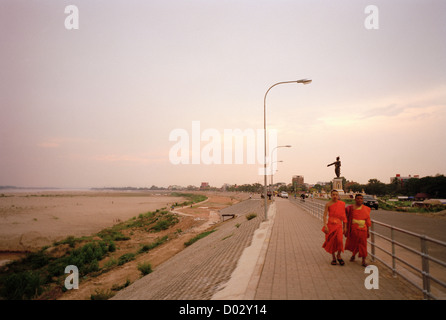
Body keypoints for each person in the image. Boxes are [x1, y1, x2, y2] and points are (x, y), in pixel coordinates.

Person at [345, 194, 372, 267]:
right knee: (355, 243)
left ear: (363, 200)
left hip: (363, 229)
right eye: (358, 198)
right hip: (354, 228)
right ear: (355, 199)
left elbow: (367, 220)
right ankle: (353, 255)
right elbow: (346, 218)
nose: (360, 200)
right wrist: (346, 228)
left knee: (363, 244)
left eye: (361, 199)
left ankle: (363, 260)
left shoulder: (366, 209)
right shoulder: (350, 208)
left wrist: (368, 231)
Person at [322, 190, 347, 265]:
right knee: (331, 241)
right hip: (330, 225)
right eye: (333, 195)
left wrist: (345, 227)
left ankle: (339, 255)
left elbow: (344, 216)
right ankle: (333, 257)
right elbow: (324, 215)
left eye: (336, 195)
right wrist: (325, 226)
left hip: (339, 225)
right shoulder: (328, 204)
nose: (335, 196)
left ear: (338, 195)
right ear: (331, 195)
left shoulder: (342, 204)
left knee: (340, 241)